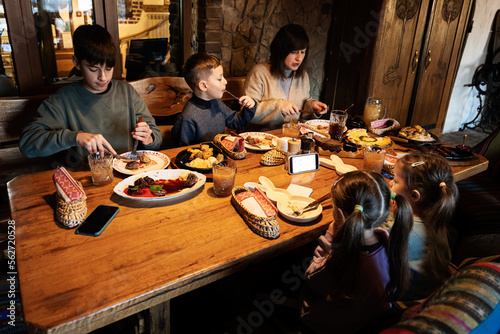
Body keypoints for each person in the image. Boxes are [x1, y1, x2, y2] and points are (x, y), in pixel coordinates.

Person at [19, 24, 161, 167]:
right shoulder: (62, 100)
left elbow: (156, 137)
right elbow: (27, 144)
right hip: (88, 179)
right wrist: (75, 137)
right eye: (94, 69)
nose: (103, 77)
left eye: (108, 69)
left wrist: (149, 138)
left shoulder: (127, 92)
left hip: (130, 176)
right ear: (77, 63)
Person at [300, 171, 413, 334]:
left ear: (339, 214)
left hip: (329, 325)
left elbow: (311, 276)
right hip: (368, 319)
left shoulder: (342, 259)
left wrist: (330, 239)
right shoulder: (389, 242)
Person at [382, 152, 458, 300]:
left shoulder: (399, 227)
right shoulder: (437, 219)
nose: (390, 183)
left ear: (414, 196)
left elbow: (372, 241)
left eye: (396, 181)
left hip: (406, 298)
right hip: (432, 288)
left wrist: (390, 214)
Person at [244, 24, 328, 131]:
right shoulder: (259, 73)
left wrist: (311, 106)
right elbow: (246, 113)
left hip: (291, 137)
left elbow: (300, 107)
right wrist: (278, 106)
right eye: (294, 52)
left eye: (302, 52)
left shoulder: (303, 76)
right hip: (262, 138)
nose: (299, 58)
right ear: (281, 50)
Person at [171, 53, 256, 146]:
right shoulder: (187, 118)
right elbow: (182, 151)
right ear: (203, 86)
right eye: (219, 79)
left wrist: (249, 106)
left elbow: (238, 123)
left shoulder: (216, 103)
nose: (225, 81)